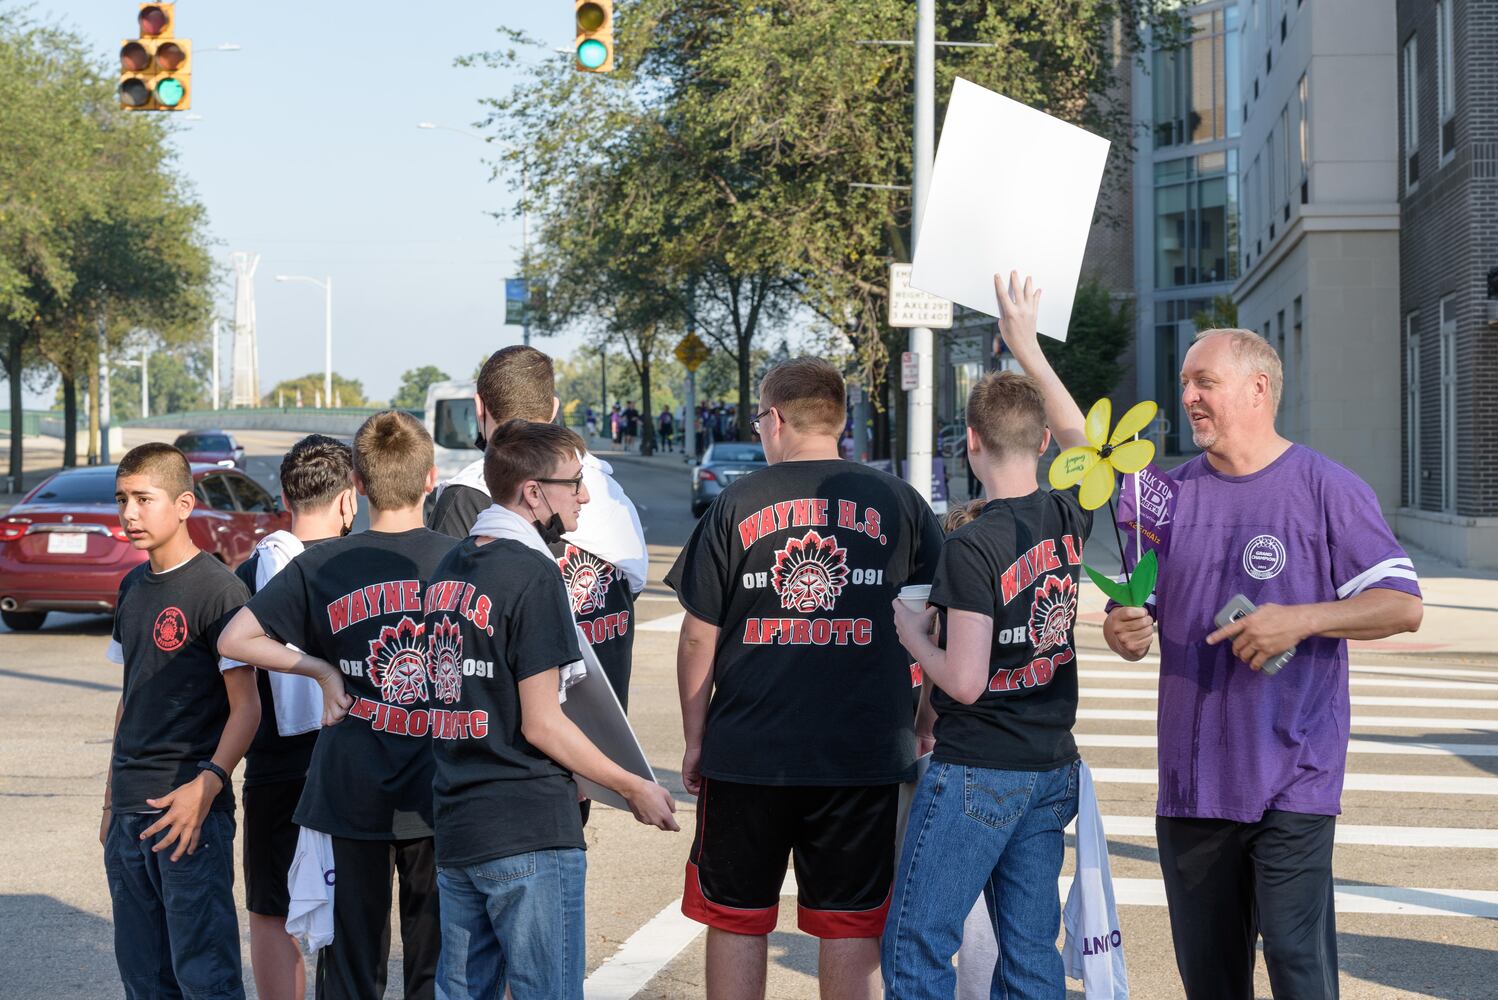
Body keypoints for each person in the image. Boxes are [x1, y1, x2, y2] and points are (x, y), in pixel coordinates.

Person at [1096, 325, 1424, 999]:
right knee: (1212, 983)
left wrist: (1300, 619)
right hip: (1191, 784)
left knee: (1299, 971)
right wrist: (1124, 630)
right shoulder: (1164, 496)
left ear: (1258, 388)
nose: (1187, 396)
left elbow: (1401, 605)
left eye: (1203, 383)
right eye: (1185, 382)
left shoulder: (1326, 488)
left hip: (1293, 779)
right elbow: (1131, 626)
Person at [667, 357, 944, 1000]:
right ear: (841, 422)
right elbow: (940, 619)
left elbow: (697, 633)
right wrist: (925, 719)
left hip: (748, 752)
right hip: (866, 751)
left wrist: (695, 736)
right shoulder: (900, 502)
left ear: (778, 419)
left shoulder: (737, 500)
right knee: (850, 921)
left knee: (737, 916)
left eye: (761, 419)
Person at [883, 274, 1092, 1000]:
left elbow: (964, 681)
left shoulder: (970, 548)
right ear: (1038, 442)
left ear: (970, 442)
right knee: (1032, 949)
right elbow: (1085, 441)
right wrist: (1028, 348)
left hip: (980, 767)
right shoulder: (1067, 517)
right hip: (1050, 763)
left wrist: (912, 633)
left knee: (916, 944)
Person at [426, 419, 679, 999]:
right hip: (528, 827)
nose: (585, 496)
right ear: (533, 492)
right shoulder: (534, 573)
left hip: (459, 825)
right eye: (574, 482)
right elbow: (541, 721)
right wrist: (632, 786)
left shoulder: (449, 568)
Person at [219, 410, 457, 1000]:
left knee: (351, 966)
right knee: (436, 965)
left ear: (358, 483)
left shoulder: (318, 564)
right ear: (430, 478)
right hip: (441, 783)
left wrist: (320, 668)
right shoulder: (462, 561)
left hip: (351, 789)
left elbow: (234, 640)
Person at [103, 442, 259, 1000]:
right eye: (122, 499)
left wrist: (208, 783)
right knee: (145, 980)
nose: (129, 513)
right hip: (128, 812)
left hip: (188, 812)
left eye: (144, 499)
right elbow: (130, 700)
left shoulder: (220, 591)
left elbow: (248, 708)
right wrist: (109, 801)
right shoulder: (130, 588)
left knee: (206, 978)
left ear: (185, 503)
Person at [428, 346, 647, 739]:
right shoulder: (610, 493)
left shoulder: (470, 496)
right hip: (597, 732)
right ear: (554, 408)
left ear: (479, 407)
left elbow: (444, 621)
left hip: (501, 741)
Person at [234, 435, 357, 1000]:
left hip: (273, 767)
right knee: (355, 908)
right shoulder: (362, 569)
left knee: (270, 909)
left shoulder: (249, 571)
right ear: (348, 500)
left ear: (286, 495)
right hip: (353, 765)